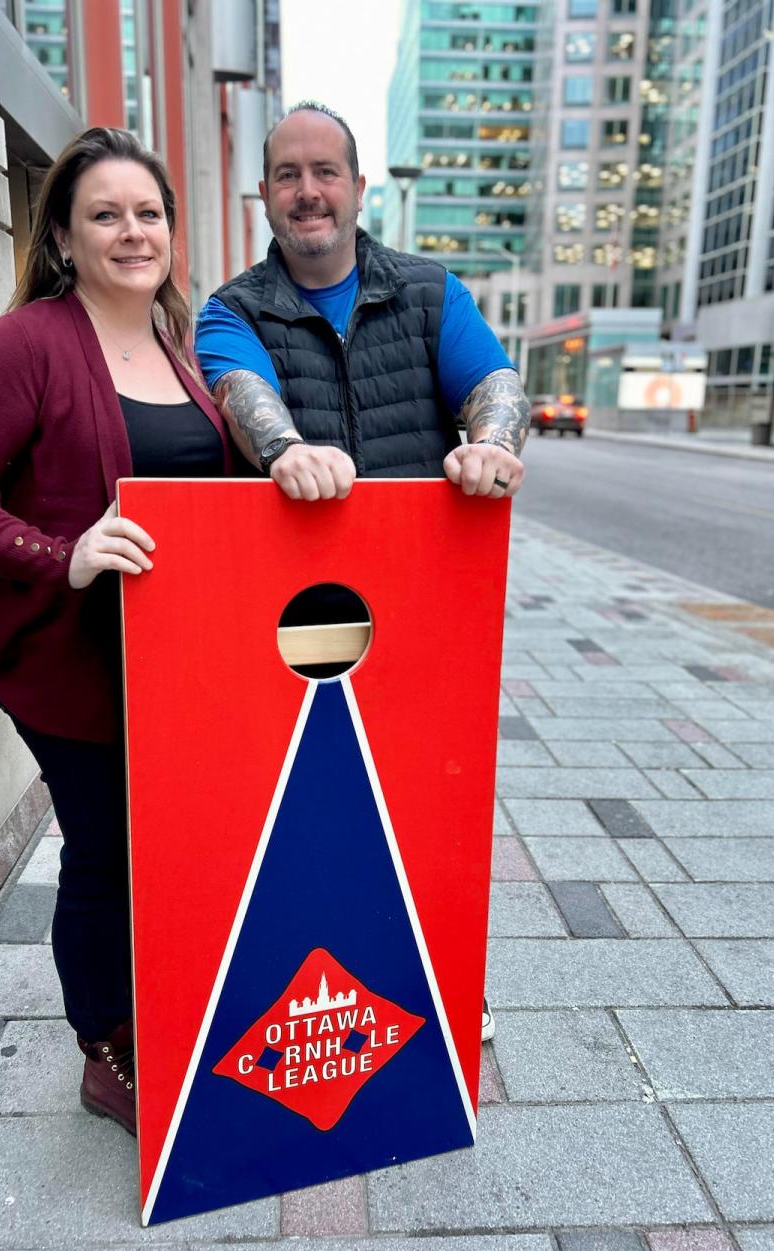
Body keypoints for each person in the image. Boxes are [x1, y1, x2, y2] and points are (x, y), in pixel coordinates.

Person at [0, 128, 231, 1135]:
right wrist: (65, 552)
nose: (131, 231)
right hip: (72, 663)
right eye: (106, 213)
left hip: (177, 662)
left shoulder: (179, 351)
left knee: (170, 845)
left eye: (148, 213)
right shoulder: (25, 345)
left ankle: (170, 1013)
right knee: (106, 852)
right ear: (62, 233)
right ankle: (110, 1050)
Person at [195, 102, 530, 1042]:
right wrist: (286, 451)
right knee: (307, 808)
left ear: (356, 186)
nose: (308, 191)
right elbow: (241, 392)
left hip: (423, 609)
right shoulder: (230, 310)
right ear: (264, 193)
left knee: (429, 801)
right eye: (288, 175)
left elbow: (493, 384)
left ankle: (444, 979)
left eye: (325, 172)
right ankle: (301, 979)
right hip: (291, 620)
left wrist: (491, 445)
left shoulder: (428, 291)